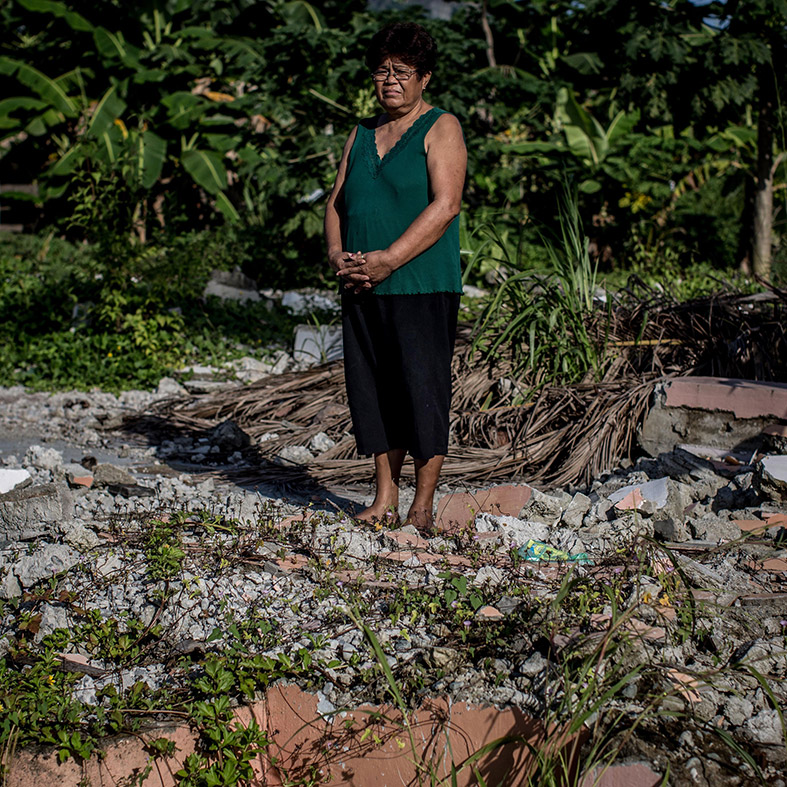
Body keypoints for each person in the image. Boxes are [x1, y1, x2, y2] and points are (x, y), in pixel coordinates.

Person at [324, 21, 466, 533]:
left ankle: (422, 505)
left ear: (423, 77)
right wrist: (339, 254)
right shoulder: (361, 134)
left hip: (421, 283)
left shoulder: (441, 127)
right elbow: (338, 200)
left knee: (421, 389)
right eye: (382, 70)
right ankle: (383, 497)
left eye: (401, 71)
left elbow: (446, 205)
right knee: (374, 390)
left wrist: (390, 257)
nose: (390, 80)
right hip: (363, 284)